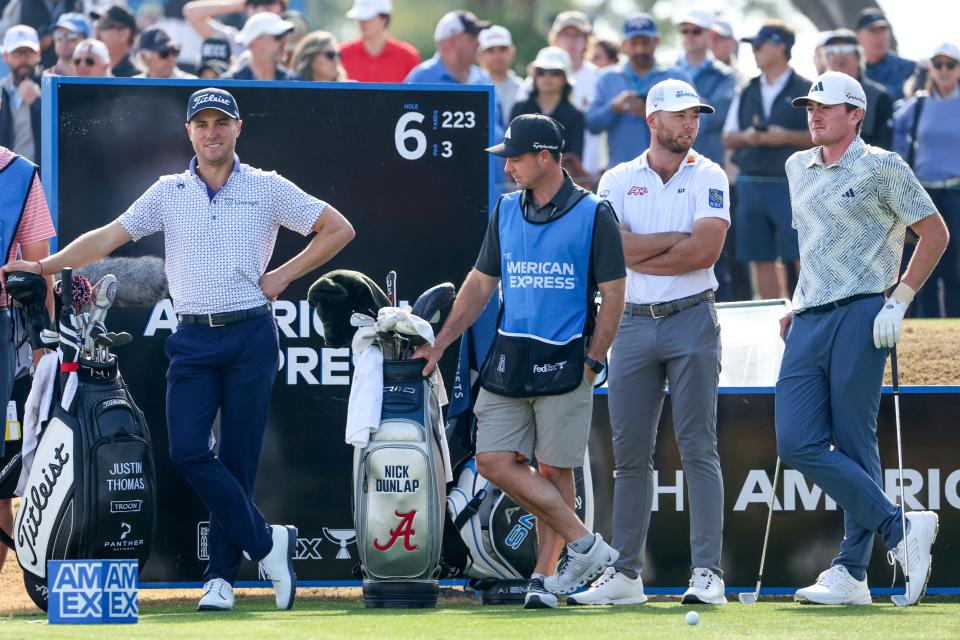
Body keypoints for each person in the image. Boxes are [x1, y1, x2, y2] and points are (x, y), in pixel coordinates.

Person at [0, 87, 355, 611]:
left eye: (221, 122)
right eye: (202, 123)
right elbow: (106, 238)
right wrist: (43, 268)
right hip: (191, 336)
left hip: (251, 334)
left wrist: (281, 275)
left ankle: (220, 579)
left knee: (238, 459)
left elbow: (337, 229)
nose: (212, 131)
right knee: (188, 449)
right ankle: (267, 542)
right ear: (188, 132)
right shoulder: (169, 190)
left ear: (238, 128)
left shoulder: (266, 187)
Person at [413, 114, 625, 609]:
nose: (508, 166)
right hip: (509, 358)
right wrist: (442, 342)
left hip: (567, 360)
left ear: (545, 157)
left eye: (516, 157)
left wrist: (594, 362)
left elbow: (614, 295)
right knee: (492, 460)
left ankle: (545, 580)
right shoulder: (507, 210)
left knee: (554, 468)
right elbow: (479, 286)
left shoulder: (595, 212)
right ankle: (585, 543)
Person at [778, 71, 947, 607]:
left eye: (826, 108)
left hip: (863, 314)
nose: (814, 115)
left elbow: (935, 232)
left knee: (854, 442)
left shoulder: (882, 165)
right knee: (794, 440)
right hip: (808, 316)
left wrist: (899, 300)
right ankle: (899, 528)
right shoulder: (795, 166)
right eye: (810, 107)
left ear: (856, 114)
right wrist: (797, 299)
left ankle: (851, 571)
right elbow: (815, 241)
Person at [572, 79, 728, 606]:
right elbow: (610, 249)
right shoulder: (617, 178)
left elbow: (703, 253)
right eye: (680, 115)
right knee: (629, 456)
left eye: (696, 116)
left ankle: (708, 572)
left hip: (692, 320)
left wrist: (640, 249)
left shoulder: (709, 173)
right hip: (633, 322)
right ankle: (626, 575)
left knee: (698, 448)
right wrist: (670, 240)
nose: (690, 123)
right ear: (652, 120)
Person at [723, 22, 811, 300]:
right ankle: (776, 317)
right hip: (752, 182)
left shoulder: (807, 88)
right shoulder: (747, 89)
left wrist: (786, 136)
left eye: (759, 46)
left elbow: (820, 136)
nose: (754, 52)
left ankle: (808, 313)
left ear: (780, 46)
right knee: (759, 255)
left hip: (792, 182)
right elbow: (729, 137)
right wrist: (749, 137)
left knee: (800, 254)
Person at [0, 143, 55, 575]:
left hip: (4, 330)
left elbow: (39, 268)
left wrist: (42, 345)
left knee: (1, 478)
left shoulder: (19, 174)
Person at [893, 43, 960, 318]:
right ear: (931, 68)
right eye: (938, 64)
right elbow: (896, 132)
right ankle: (928, 322)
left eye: (950, 65)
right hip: (925, 193)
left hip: (957, 192)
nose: (944, 70)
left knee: (956, 265)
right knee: (925, 262)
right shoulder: (918, 104)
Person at [587, 14, 691, 168]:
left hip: (670, 172)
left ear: (656, 42)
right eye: (634, 43)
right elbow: (592, 124)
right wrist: (614, 107)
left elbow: (694, 123)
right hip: (622, 172)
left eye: (645, 43)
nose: (640, 49)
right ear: (623, 45)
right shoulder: (607, 77)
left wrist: (654, 116)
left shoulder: (676, 76)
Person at [511, 47, 585, 177]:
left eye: (555, 73)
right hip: (522, 182)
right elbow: (511, 150)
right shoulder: (520, 109)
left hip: (560, 185)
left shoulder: (575, 116)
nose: (547, 77)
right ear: (534, 76)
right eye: (541, 72)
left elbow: (574, 157)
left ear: (565, 78)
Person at [674, 9, 735, 167]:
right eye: (685, 31)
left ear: (710, 36)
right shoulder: (668, 71)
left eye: (696, 31)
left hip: (707, 164)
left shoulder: (725, 75)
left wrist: (676, 112)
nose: (689, 36)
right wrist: (699, 105)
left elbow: (718, 116)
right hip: (670, 164)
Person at [548, 11, 601, 177]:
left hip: (591, 175)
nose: (571, 41)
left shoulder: (600, 78)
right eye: (565, 35)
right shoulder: (537, 79)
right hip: (549, 177)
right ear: (555, 39)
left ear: (587, 40)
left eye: (577, 36)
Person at [821, 29, 893, 149]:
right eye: (832, 51)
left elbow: (884, 146)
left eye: (847, 50)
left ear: (859, 57)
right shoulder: (814, 96)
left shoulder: (879, 97)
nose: (839, 56)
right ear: (826, 59)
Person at [338, 0, 419, 83]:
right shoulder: (341, 53)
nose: (361, 22)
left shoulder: (408, 56)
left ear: (384, 18)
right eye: (358, 17)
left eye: (367, 17)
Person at [405, 10, 490, 85]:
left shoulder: (484, 79)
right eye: (472, 37)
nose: (479, 43)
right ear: (451, 43)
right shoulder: (421, 79)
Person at [0, 26, 42, 166]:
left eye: (29, 52)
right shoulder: (1, 90)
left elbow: (64, 131)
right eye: (17, 52)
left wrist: (38, 102)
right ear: (6, 56)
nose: (24, 58)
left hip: (41, 180)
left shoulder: (51, 88)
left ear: (38, 54)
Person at [182, 0, 286, 55]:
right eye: (267, 10)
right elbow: (191, 12)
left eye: (277, 13)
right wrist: (242, 4)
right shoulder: (233, 41)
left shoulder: (284, 43)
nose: (270, 16)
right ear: (250, 9)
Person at [856, 7, 915, 102]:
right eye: (873, 31)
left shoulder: (910, 69)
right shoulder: (852, 71)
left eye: (883, 31)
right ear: (858, 36)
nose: (880, 37)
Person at [222, 12, 298, 81]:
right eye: (278, 37)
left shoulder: (294, 81)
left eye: (285, 37)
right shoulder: (228, 83)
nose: (284, 41)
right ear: (255, 43)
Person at [478, 25, 522, 118]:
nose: (497, 55)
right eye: (490, 50)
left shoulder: (523, 89)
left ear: (512, 52)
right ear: (480, 55)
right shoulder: (473, 86)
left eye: (503, 49)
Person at [92, 3, 138, 77]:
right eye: (96, 24)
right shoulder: (89, 70)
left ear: (124, 34)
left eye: (104, 24)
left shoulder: (138, 78)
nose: (97, 29)